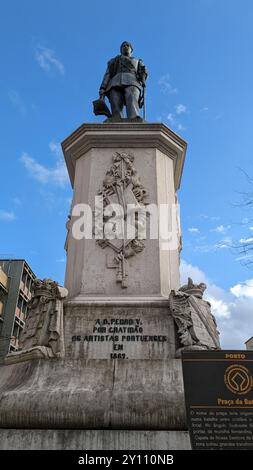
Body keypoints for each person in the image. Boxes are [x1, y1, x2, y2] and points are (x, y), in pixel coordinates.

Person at [99, 41, 148, 120]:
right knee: (115, 101)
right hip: (115, 82)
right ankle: (116, 117)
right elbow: (107, 74)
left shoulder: (138, 61)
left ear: (131, 50)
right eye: (123, 46)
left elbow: (143, 73)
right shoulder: (113, 61)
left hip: (132, 81)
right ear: (120, 50)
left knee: (132, 98)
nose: (125, 47)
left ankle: (134, 117)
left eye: (127, 45)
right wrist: (103, 87)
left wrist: (143, 74)